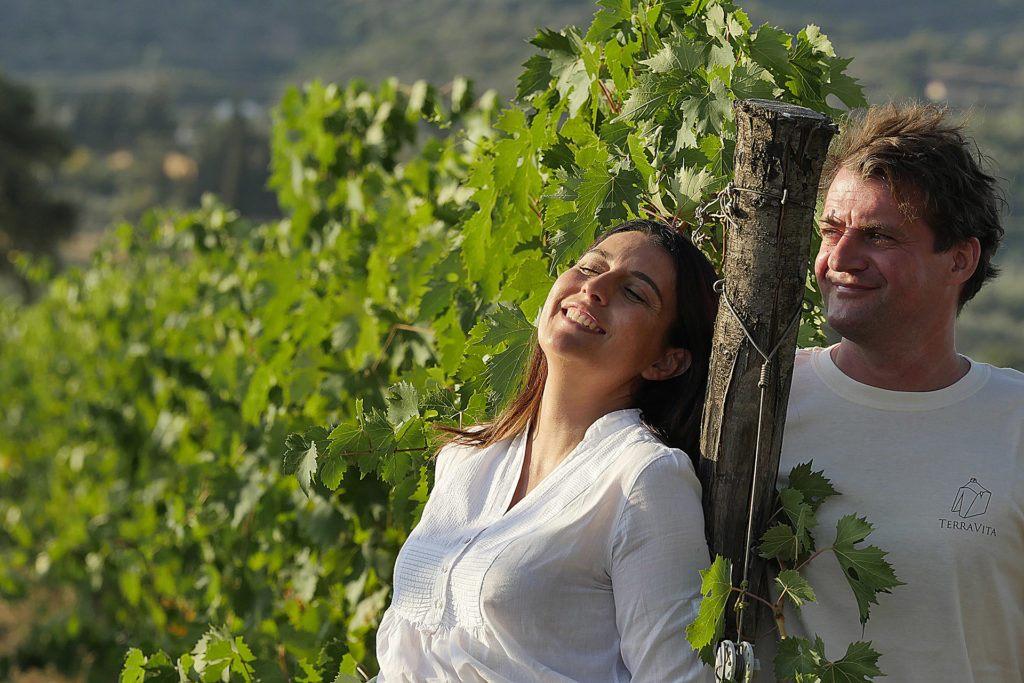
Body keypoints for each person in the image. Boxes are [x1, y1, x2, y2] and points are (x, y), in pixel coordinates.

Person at [375, 219, 720, 681]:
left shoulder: (644, 478)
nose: (595, 288)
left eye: (634, 293)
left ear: (666, 360)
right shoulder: (469, 456)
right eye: (589, 267)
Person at [775, 102, 1024, 681]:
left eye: (878, 236)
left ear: (960, 258)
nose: (839, 259)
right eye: (831, 230)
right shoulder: (763, 403)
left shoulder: (1014, 421)